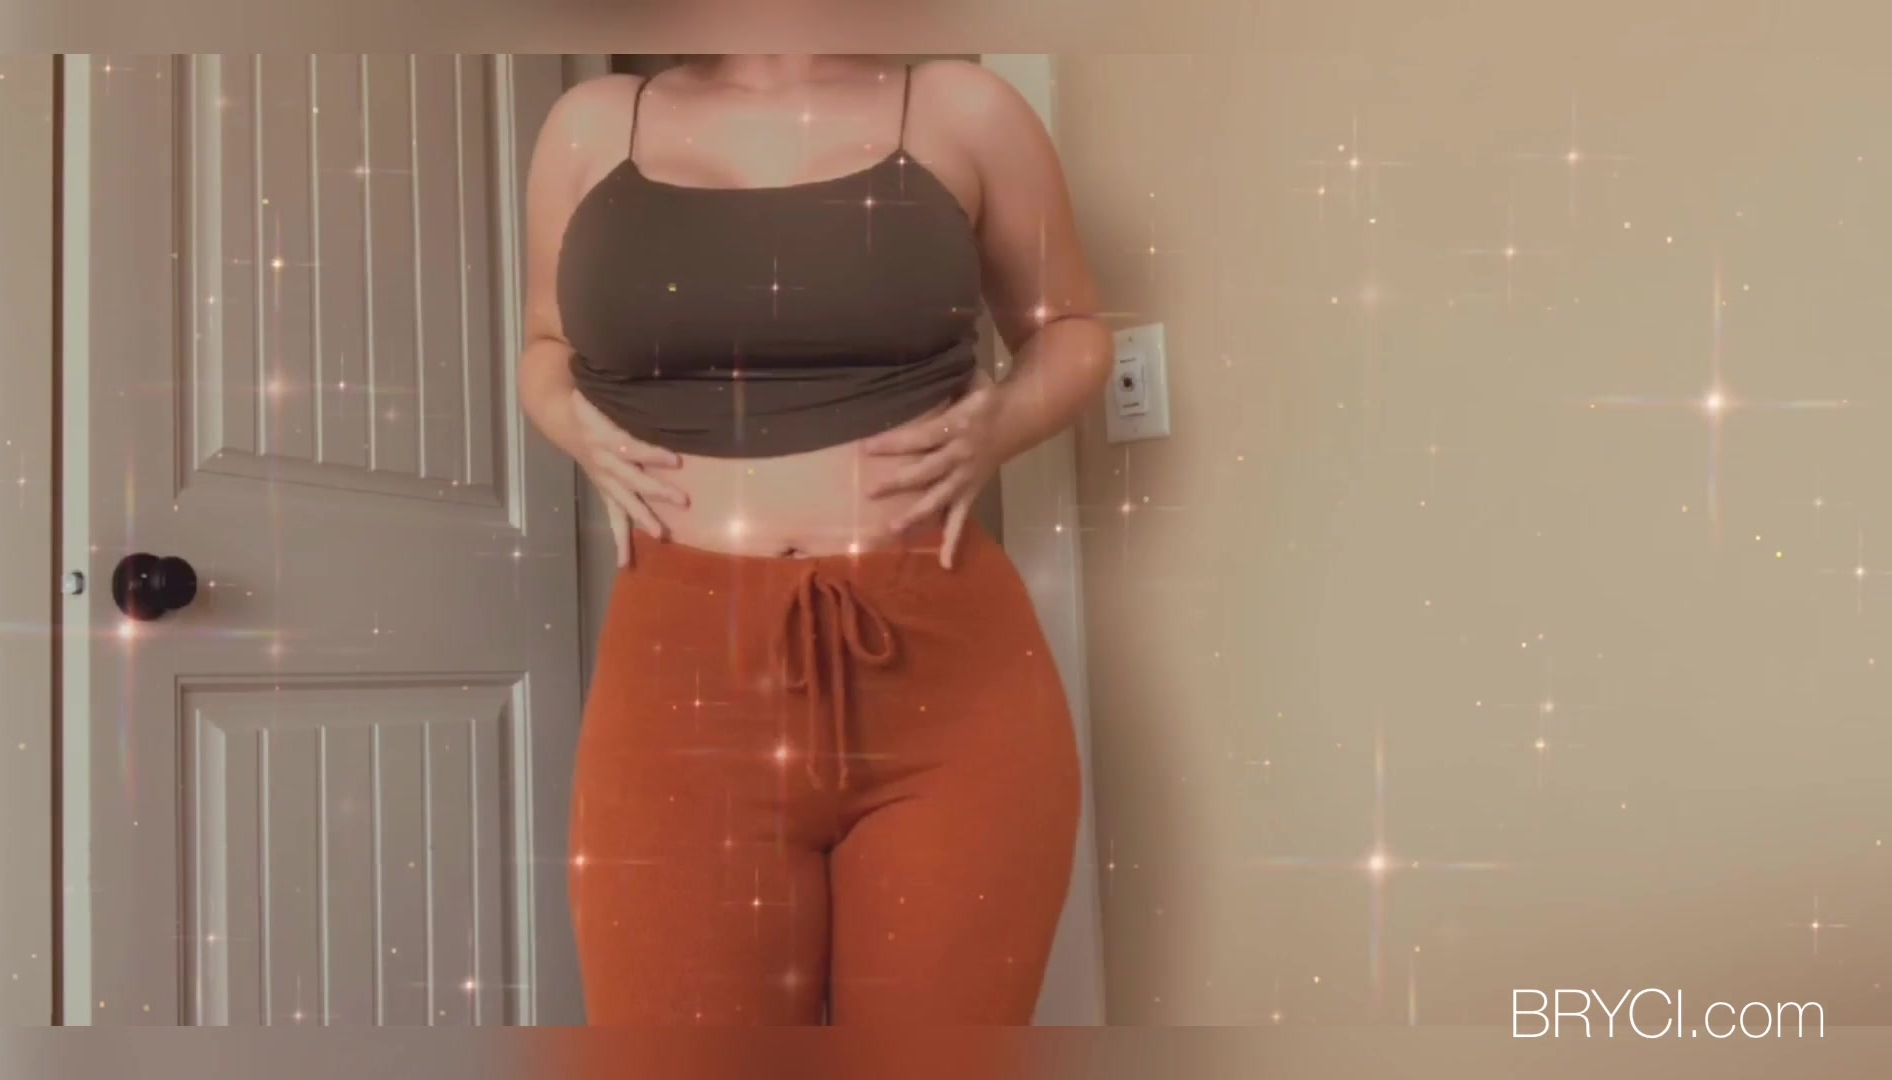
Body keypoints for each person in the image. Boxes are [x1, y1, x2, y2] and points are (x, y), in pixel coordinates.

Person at [519, 54, 1111, 1025]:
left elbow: (1075, 329)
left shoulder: (960, 107)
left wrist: (1000, 425)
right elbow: (545, 344)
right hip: (680, 674)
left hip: (948, 677)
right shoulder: (591, 126)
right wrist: (571, 423)